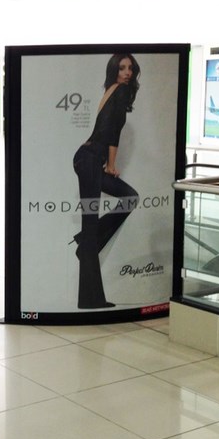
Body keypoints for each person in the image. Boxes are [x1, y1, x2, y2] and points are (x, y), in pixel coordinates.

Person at [71, 54, 141, 309]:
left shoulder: (112, 89)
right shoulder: (119, 91)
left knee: (129, 198)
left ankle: (85, 243)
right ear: (114, 70)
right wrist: (111, 165)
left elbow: (106, 128)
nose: (127, 72)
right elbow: (112, 132)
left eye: (130, 68)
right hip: (90, 160)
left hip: (87, 158)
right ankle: (91, 299)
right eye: (122, 68)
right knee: (92, 224)